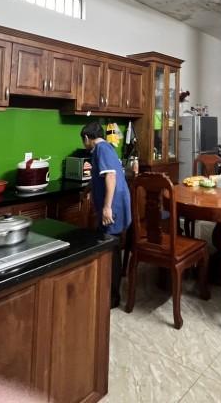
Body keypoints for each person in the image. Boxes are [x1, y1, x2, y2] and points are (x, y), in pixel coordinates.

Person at [81, 121, 132, 308]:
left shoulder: (101, 149)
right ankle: (108, 290)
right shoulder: (105, 148)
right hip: (118, 201)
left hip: (114, 205)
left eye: (83, 141)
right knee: (110, 245)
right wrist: (87, 190)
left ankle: (113, 297)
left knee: (111, 248)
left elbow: (110, 176)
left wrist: (107, 207)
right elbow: (100, 176)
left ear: (87, 138)